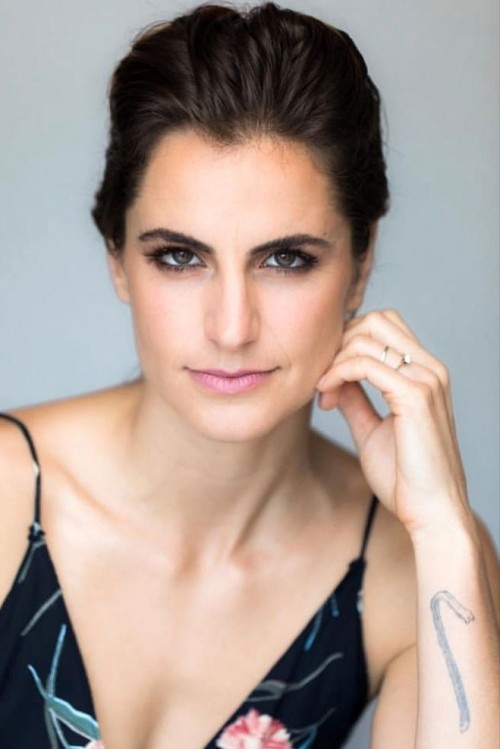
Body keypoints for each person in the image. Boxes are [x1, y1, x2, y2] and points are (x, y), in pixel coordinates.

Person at [0, 3, 498, 748]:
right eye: (179, 256)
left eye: (286, 259)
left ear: (361, 263)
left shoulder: (407, 568)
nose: (232, 328)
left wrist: (447, 532)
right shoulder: (6, 495)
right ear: (118, 259)